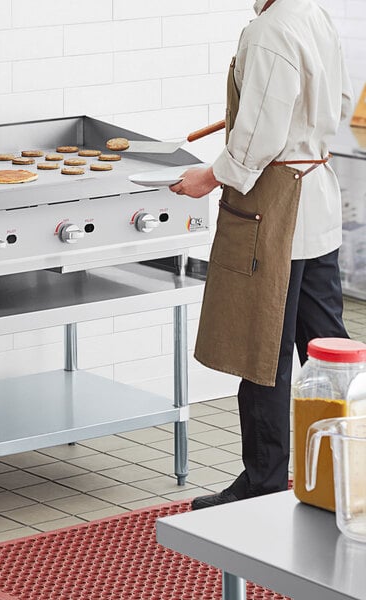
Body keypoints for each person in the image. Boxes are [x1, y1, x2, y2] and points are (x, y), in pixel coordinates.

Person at [169, 0, 354, 509]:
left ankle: (264, 481)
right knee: (328, 350)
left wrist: (207, 177)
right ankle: (347, 472)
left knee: (263, 351)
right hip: (315, 200)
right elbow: (338, 103)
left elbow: (256, 140)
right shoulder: (313, 15)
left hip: (273, 210)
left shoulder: (270, 30)